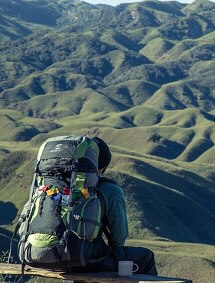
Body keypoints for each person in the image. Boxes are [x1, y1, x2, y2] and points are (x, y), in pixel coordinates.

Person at [69, 137, 157, 275]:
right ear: (102, 168)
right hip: (85, 259)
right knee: (146, 257)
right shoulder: (110, 190)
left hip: (45, 254)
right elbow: (119, 237)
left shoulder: (63, 185)